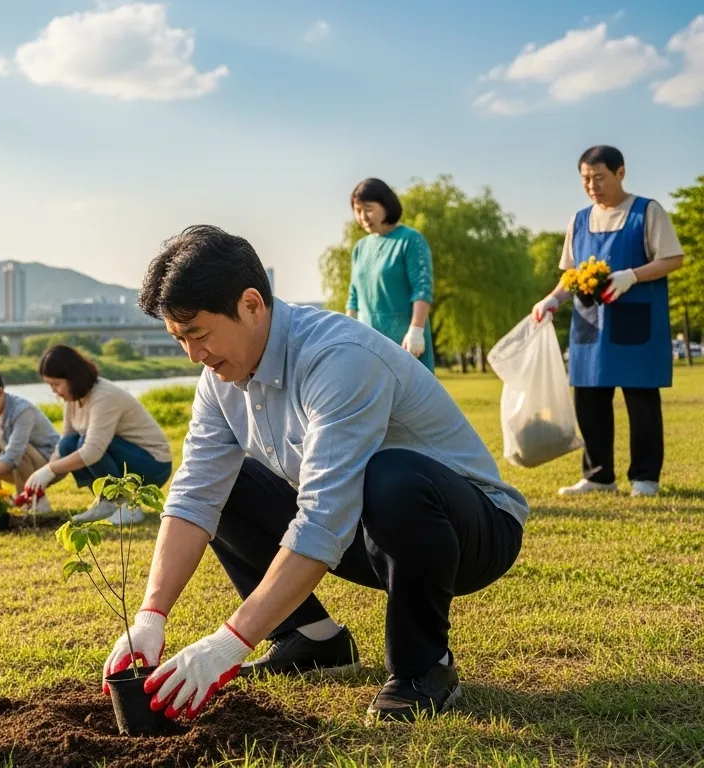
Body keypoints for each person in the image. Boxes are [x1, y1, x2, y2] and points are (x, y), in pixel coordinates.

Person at [105, 225, 528, 723]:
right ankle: (311, 638)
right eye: (180, 339)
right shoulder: (218, 379)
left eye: (198, 334)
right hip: (366, 531)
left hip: (469, 532)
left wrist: (229, 642)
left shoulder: (338, 358)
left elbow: (325, 515)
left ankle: (423, 667)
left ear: (251, 305)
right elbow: (195, 495)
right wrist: (151, 615)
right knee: (228, 484)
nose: (193, 355)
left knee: (390, 475)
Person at [531, 145, 685, 498]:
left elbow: (673, 258)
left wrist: (632, 275)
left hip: (636, 322)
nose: (592, 186)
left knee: (641, 400)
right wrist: (552, 299)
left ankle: (645, 478)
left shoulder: (647, 212)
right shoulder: (579, 220)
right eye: (586, 179)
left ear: (621, 173)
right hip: (590, 323)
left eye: (599, 177)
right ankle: (599, 476)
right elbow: (570, 273)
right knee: (589, 399)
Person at [23, 345, 173, 525]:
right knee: (68, 444)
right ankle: (106, 502)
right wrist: (42, 481)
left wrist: (49, 470)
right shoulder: (74, 399)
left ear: (72, 378)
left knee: (84, 443)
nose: (54, 391)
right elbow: (64, 443)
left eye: (56, 384)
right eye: (50, 385)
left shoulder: (104, 396)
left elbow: (92, 451)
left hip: (153, 464)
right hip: (127, 459)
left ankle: (121, 505)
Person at [346, 178, 436, 370]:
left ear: (386, 205)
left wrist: (416, 330)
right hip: (368, 344)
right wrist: (347, 333)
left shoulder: (410, 240)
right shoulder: (360, 248)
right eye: (358, 211)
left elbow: (422, 289)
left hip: (405, 345)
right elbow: (353, 297)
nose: (363, 217)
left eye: (368, 209)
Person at [0, 364, 62, 513]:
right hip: (13, 463)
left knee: (21, 451)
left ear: (0, 392)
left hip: (49, 463)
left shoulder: (22, 410)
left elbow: (14, 453)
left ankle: (33, 500)